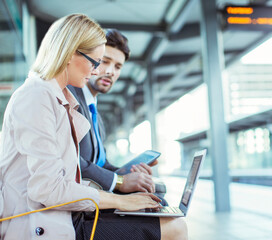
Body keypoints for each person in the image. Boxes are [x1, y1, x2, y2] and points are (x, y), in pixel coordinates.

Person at [0, 14, 187, 239]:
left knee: (161, 214)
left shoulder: (59, 99)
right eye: (96, 62)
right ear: (70, 53)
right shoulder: (36, 97)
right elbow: (48, 188)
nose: (98, 71)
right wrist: (120, 200)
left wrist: (124, 191)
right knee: (174, 228)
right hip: (40, 225)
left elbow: (70, 175)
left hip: (63, 215)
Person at [68, 29, 164, 196]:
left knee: (155, 194)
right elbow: (70, 160)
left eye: (118, 66)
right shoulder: (70, 98)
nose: (111, 71)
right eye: (105, 61)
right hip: (78, 203)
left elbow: (100, 164)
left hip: (92, 195)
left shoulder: (97, 118)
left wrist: (129, 173)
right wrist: (119, 182)